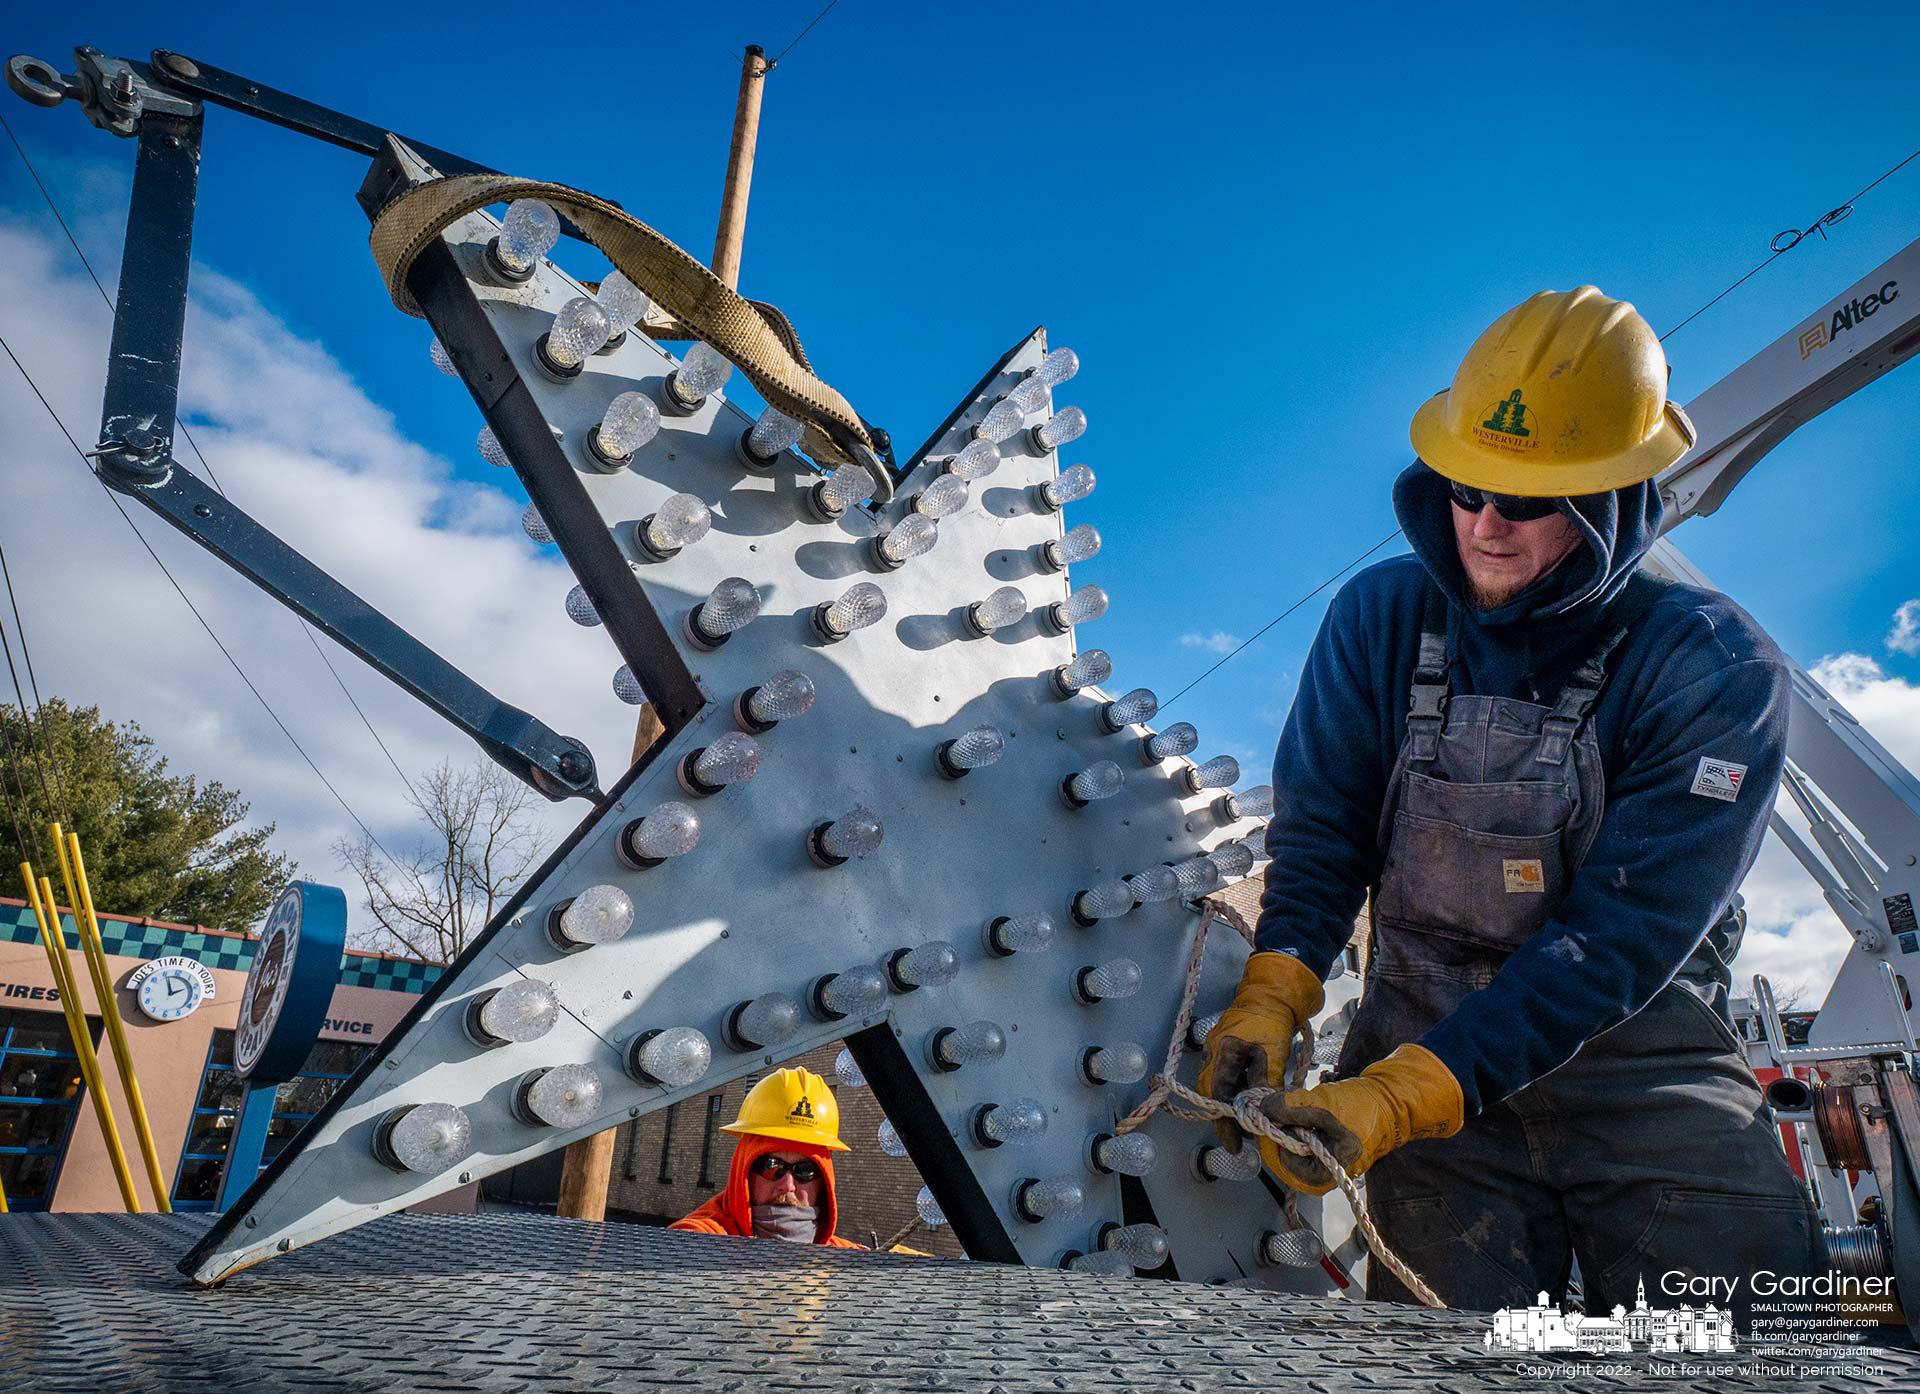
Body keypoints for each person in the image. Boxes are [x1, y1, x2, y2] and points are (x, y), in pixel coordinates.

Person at [1199, 286, 1823, 1313]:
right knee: (1441, 1363)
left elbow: (1622, 935)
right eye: (1465, 485)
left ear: (1610, 497)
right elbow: (1323, 835)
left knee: (1740, 1346)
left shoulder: (1710, 662)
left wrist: (1408, 1093)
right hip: (1420, 1048)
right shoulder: (1381, 618)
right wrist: (1276, 987)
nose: (1486, 525)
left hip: (1639, 1064)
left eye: (1529, 502)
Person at [670, 1067, 866, 1249]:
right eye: (771, 1166)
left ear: (823, 1181)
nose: (788, 1185)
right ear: (744, 1172)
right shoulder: (699, 1242)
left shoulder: (845, 1257)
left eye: (805, 1170)